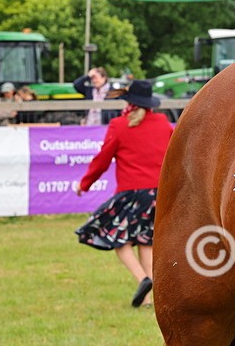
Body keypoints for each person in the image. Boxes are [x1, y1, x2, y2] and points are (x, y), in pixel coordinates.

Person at [74, 80, 172, 308]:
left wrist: (84, 184)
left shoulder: (119, 125)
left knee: (116, 237)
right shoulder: (163, 123)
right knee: (145, 242)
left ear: (129, 102)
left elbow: (102, 160)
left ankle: (143, 279)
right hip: (158, 193)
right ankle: (150, 298)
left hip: (131, 193)